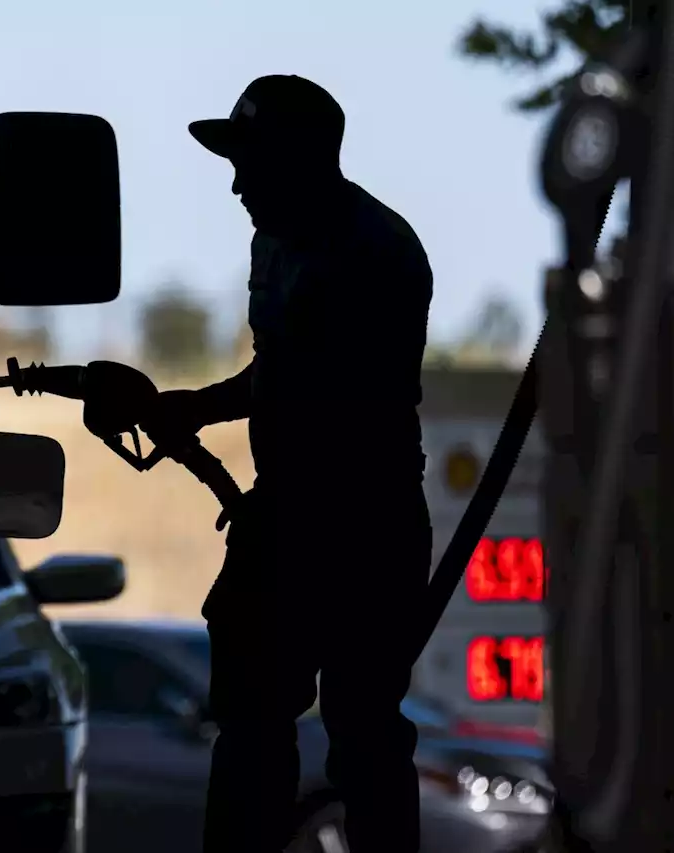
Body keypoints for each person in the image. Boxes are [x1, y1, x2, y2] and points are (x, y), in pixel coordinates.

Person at [160, 75, 434, 852]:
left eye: (252, 164)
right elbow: (277, 369)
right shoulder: (275, 240)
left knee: (364, 738)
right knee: (252, 727)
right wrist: (195, 407)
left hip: (359, 528)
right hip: (283, 517)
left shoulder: (377, 254)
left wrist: (199, 409)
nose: (239, 184)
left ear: (303, 163)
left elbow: (319, 385)